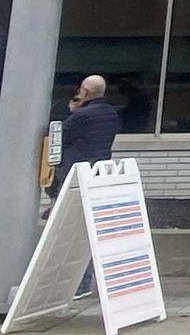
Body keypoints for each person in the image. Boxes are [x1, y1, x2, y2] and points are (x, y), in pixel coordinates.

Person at [55, 74, 119, 300]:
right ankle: (90, 281)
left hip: (76, 175)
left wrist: (73, 112)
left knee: (72, 231)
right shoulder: (111, 113)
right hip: (99, 173)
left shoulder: (81, 115)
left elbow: (58, 137)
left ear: (86, 91)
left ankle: (79, 284)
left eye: (81, 89)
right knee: (92, 230)